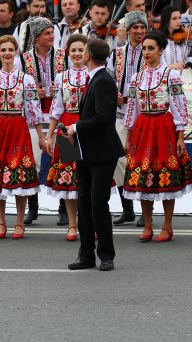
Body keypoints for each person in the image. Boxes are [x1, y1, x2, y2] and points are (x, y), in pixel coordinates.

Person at [0, 35, 44, 240]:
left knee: (18, 175)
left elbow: (33, 110)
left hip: (17, 128)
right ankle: (1, 222)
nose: (7, 54)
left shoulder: (25, 79)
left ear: (16, 52)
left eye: (10, 50)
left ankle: (19, 222)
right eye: (3, 50)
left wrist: (40, 136)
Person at [123, 30, 190, 243]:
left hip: (163, 126)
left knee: (165, 175)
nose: (146, 52)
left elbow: (179, 106)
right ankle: (148, 225)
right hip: (143, 127)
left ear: (161, 50)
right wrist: (129, 135)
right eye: (144, 48)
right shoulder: (137, 77)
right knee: (144, 175)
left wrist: (180, 136)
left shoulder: (171, 75)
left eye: (151, 48)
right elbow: (132, 107)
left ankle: (167, 226)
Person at [64, 37, 124, 271]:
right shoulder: (96, 79)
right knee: (85, 205)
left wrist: (75, 127)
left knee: (98, 203)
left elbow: (102, 118)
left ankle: (106, 255)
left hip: (102, 152)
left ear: (88, 56)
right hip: (86, 151)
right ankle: (86, 254)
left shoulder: (103, 81)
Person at [19, 16, 68, 226]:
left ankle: (65, 207)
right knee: (32, 161)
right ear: (37, 36)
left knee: (67, 159)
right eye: (47, 33)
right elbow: (17, 85)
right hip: (35, 117)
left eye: (52, 32)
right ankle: (33, 207)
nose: (52, 36)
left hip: (62, 115)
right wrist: (31, 92)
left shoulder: (63, 56)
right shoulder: (23, 58)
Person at [45, 34, 88, 241]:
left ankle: (90, 223)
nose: (77, 54)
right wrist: (50, 135)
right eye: (74, 50)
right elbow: (56, 108)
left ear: (87, 52)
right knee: (70, 180)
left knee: (88, 178)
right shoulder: (62, 77)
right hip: (66, 126)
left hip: (88, 126)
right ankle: (72, 224)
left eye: (81, 50)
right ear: (68, 53)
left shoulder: (94, 74)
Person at [108, 10, 147, 226]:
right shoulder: (117, 53)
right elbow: (111, 77)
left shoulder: (152, 51)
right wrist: (115, 93)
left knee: (141, 161)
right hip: (121, 114)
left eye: (142, 27)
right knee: (119, 159)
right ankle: (127, 208)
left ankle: (144, 209)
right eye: (136, 27)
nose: (139, 31)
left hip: (144, 115)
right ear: (129, 29)